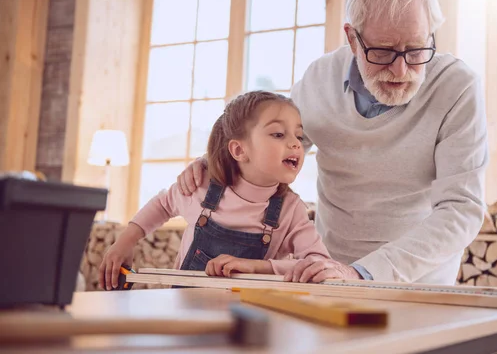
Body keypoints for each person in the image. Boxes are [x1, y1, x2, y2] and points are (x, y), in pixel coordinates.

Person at [176, 0, 488, 285]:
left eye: (416, 50)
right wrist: (219, 163)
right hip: (327, 271)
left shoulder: (457, 87)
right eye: (382, 51)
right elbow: (273, 145)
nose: (401, 69)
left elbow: (461, 208)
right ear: (353, 38)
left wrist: (364, 272)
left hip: (418, 279)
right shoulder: (319, 79)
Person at [98, 91, 330, 290]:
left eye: (299, 136)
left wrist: (256, 267)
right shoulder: (201, 186)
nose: (296, 144)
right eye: (278, 134)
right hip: (181, 316)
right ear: (239, 150)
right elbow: (163, 204)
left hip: (247, 326)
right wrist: (124, 242)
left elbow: (318, 263)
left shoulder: (291, 211)